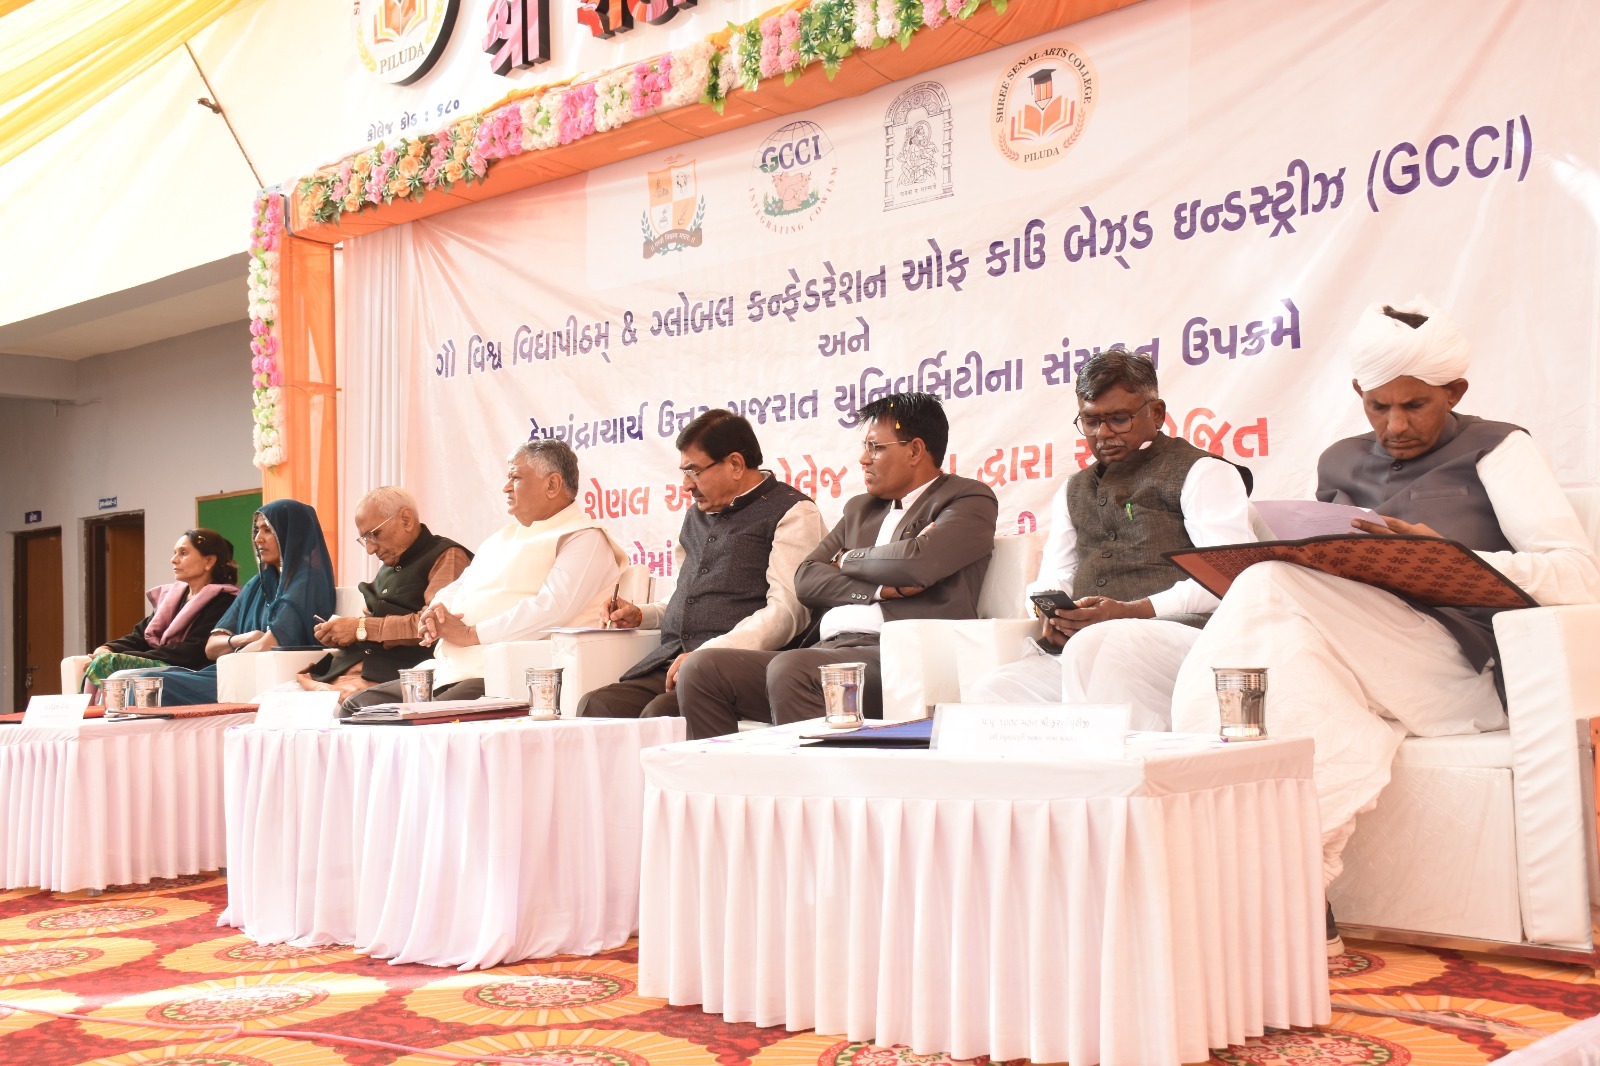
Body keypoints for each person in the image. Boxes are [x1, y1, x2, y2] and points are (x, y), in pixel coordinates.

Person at [1169, 297, 1600, 954]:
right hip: (1362, 654)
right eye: (1378, 406)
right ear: (1358, 394)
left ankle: (1263, 864)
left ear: (1455, 392)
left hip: (1461, 667)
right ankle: (1288, 881)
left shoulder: (1500, 448)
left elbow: (1578, 573)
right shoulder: (1338, 460)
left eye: (1416, 405)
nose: (1395, 424)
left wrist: (1448, 554)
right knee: (1278, 628)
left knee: (1268, 587)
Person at [964, 348, 1255, 729]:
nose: (1102, 434)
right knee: (991, 695)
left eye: (1119, 419)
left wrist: (1131, 610)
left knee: (1100, 646)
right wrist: (1053, 613)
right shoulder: (1073, 488)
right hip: (1088, 645)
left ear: (1156, 413)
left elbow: (1226, 578)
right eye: (1090, 421)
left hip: (1182, 637)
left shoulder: (1203, 472)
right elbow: (1056, 574)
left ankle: (1134, 766)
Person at [677, 392, 996, 738]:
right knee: (703, 670)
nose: (863, 458)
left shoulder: (968, 499)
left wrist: (844, 559)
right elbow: (806, 579)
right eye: (865, 447)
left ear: (915, 450)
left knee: (793, 671)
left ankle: (810, 775)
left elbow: (918, 562)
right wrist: (879, 588)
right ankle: (728, 775)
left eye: (875, 447)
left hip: (899, 657)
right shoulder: (861, 508)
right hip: (827, 650)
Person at [341, 440, 625, 713]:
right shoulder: (502, 537)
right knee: (356, 706)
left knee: (424, 720)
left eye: (515, 478)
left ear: (552, 484)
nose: (506, 487)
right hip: (450, 669)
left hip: (507, 674)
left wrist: (471, 634)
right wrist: (436, 613)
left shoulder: (583, 538)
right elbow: (459, 586)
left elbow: (553, 609)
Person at [579, 410, 827, 720]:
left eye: (694, 472)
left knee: (660, 716)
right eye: (684, 472)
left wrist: (707, 654)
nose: (686, 485)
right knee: (595, 706)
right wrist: (641, 615)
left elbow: (788, 612)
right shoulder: (696, 515)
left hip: (734, 671)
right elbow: (685, 599)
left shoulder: (793, 512)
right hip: (672, 663)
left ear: (735, 464)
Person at [111, 498, 336, 705]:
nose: (258, 538)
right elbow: (211, 647)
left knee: (155, 683)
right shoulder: (257, 584)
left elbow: (269, 643)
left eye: (268, 530)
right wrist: (244, 638)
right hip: (237, 669)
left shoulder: (307, 582)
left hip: (267, 676)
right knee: (141, 680)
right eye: (257, 530)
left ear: (293, 535)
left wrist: (231, 657)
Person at [300, 486, 472, 701]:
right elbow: (368, 623)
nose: (370, 549)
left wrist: (360, 628)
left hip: (403, 674)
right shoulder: (390, 564)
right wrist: (341, 634)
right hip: (351, 668)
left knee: (337, 702)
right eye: (365, 539)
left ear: (406, 520)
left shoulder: (447, 556)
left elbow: (435, 624)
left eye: (374, 534)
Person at [82, 529, 240, 695]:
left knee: (109, 664)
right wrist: (110, 648)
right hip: (162, 660)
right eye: (174, 553)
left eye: (183, 553)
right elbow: (140, 636)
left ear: (209, 561)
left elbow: (192, 651)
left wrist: (125, 656)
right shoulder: (173, 597)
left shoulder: (224, 600)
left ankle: (98, 709)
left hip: (191, 672)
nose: (174, 560)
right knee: (102, 659)